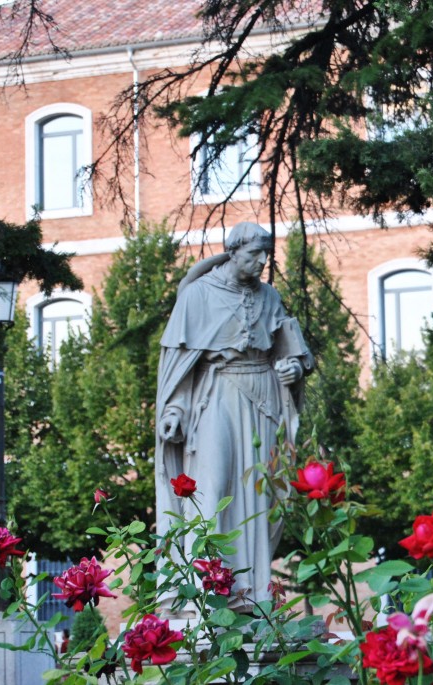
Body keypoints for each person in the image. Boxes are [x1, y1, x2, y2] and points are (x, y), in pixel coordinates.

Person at [155, 222, 313, 611]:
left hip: (263, 401)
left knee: (258, 494)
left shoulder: (270, 297)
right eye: (254, 254)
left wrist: (293, 370)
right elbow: (179, 364)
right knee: (212, 486)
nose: (262, 262)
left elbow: (291, 352)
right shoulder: (197, 295)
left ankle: (254, 594)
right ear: (233, 251)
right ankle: (204, 594)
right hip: (216, 395)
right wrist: (174, 409)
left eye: (266, 254)